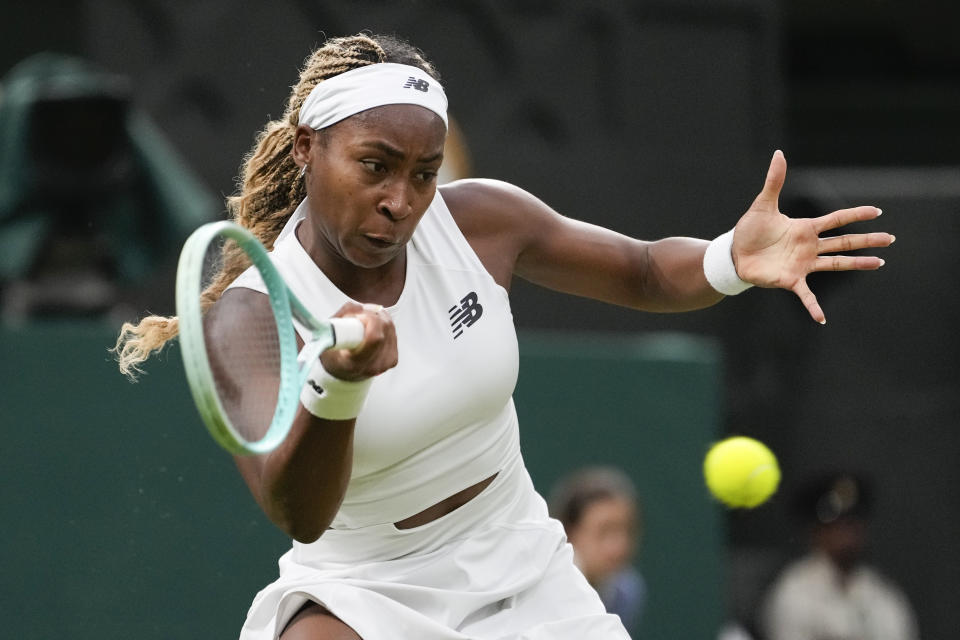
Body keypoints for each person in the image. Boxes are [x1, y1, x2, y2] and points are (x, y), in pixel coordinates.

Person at [113, 33, 894, 640]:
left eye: (422, 172)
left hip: (523, 559)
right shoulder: (248, 319)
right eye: (374, 166)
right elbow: (296, 509)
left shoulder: (478, 219)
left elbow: (646, 273)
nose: (401, 200)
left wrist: (730, 258)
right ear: (304, 149)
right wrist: (339, 384)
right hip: (366, 586)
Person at [758, 472, 919, 640]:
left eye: (852, 524)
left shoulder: (882, 594)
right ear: (817, 532)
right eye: (838, 526)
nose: (847, 535)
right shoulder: (794, 591)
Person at [549, 467, 647, 633]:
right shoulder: (540, 586)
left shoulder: (625, 593)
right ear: (569, 532)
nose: (619, 546)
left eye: (627, 530)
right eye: (605, 531)